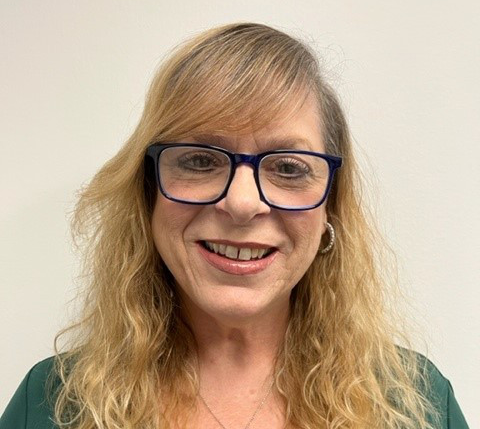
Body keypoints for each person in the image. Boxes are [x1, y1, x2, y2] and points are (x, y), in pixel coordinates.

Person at [0, 22, 470, 429]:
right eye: (200, 160)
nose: (242, 204)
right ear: (147, 193)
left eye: (288, 168)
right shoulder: (50, 403)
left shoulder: (417, 403)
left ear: (331, 206)